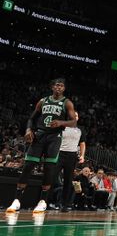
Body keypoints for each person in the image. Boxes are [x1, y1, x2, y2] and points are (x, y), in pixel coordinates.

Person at [5, 78, 77, 214]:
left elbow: (73, 122)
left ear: (64, 89)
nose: (59, 88)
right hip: (39, 135)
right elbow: (32, 118)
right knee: (28, 166)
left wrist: (61, 123)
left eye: (61, 86)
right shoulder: (43, 101)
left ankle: (42, 201)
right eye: (57, 85)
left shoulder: (67, 103)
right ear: (52, 87)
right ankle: (16, 200)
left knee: (49, 169)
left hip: (54, 138)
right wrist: (28, 130)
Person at [50, 111, 85, 211]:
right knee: (51, 177)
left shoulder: (80, 129)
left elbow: (82, 143)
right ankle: (46, 201)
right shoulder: (61, 126)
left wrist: (82, 155)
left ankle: (64, 204)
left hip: (72, 156)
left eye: (76, 115)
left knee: (68, 181)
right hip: (59, 153)